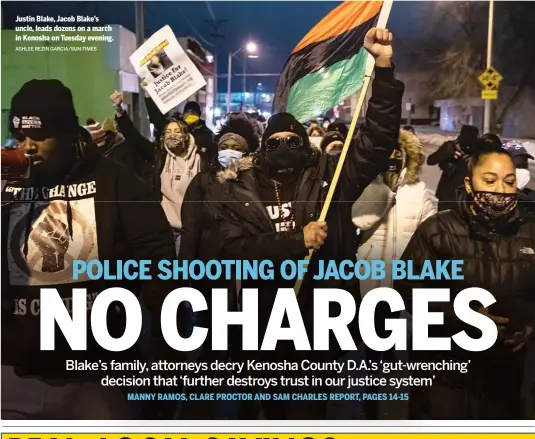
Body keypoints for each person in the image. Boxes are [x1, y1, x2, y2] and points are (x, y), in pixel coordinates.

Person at [216, 27, 403, 420]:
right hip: (262, 319)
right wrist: (293, 242)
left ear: (306, 144)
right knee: (270, 410)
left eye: (293, 140)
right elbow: (235, 250)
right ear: (263, 150)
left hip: (323, 317)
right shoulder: (242, 189)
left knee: (318, 409)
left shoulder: (331, 177)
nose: (285, 147)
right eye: (275, 142)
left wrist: (383, 69)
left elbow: (377, 140)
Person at [1, 79, 175, 420]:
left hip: (96, 372)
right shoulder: (8, 186)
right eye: (20, 136)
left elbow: (157, 259)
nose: (28, 147)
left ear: (67, 132)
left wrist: (155, 348)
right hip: (15, 368)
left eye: (39, 135)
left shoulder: (116, 181)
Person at [396, 145, 535, 420]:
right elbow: (407, 288)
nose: (501, 189)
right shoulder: (438, 230)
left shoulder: (530, 232)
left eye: (509, 181)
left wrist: (529, 323)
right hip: (443, 373)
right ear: (470, 185)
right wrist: (462, 315)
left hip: (504, 377)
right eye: (490, 180)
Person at [178, 114, 260, 420]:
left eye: (236, 147)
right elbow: (191, 229)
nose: (229, 151)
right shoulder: (202, 182)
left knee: (247, 345)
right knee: (212, 340)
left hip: (248, 277)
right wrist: (186, 274)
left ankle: (250, 408)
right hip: (212, 274)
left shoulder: (256, 181)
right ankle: (199, 409)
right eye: (224, 145)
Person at [352, 128, 437, 420]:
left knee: (396, 347)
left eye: (396, 156)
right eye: (384, 156)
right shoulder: (367, 186)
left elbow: (430, 234)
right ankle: (371, 404)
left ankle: (397, 404)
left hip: (401, 283)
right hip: (367, 281)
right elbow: (360, 220)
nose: (391, 161)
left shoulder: (419, 192)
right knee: (371, 347)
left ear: (405, 158)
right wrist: (383, 188)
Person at [110, 91, 203, 255]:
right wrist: (120, 110)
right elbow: (134, 138)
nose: (172, 135)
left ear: (186, 136)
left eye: (177, 132)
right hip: (163, 229)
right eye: (168, 132)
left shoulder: (201, 159)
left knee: (184, 276)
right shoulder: (159, 156)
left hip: (190, 232)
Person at [427, 124, 479, 211]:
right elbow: (431, 160)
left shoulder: (477, 151)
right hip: (448, 195)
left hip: (466, 197)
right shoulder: (450, 147)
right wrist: (447, 154)